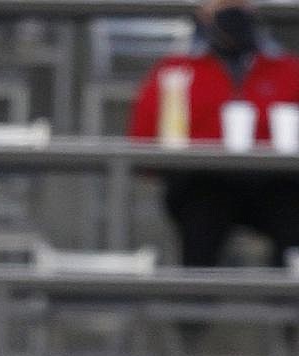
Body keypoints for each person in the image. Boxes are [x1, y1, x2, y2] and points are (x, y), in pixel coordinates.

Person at [128, 0, 299, 266]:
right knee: (202, 216)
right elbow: (144, 143)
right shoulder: (176, 69)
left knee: (292, 217)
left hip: (276, 183)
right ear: (203, 11)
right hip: (203, 182)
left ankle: (286, 301)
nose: (233, 10)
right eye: (223, 3)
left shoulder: (287, 68)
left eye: (241, 3)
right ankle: (195, 302)